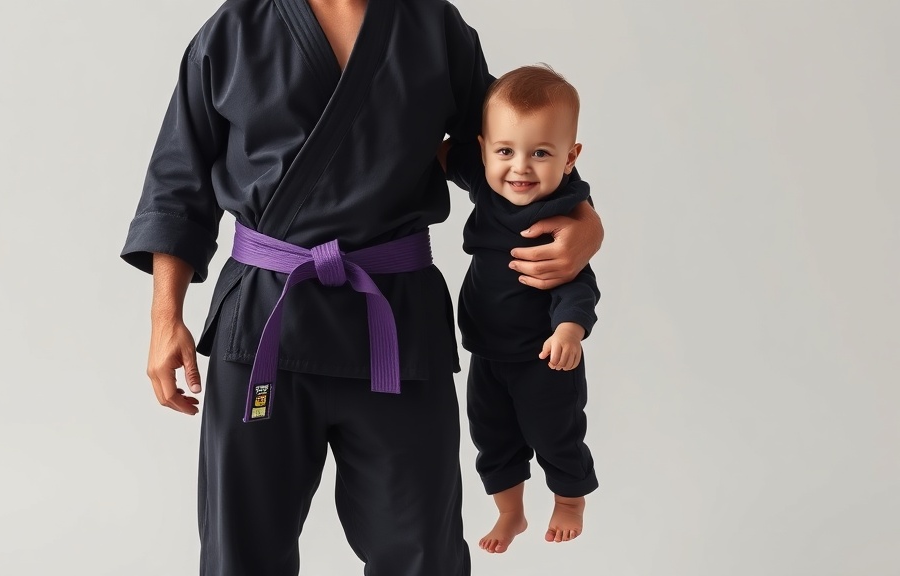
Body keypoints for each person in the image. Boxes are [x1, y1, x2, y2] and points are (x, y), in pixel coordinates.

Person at [119, 1, 604, 574]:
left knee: (423, 554)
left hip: (396, 331)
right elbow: (177, 182)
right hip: (265, 324)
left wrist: (584, 219)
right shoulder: (236, 28)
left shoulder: (432, 25)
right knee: (241, 553)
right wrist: (165, 316)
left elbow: (511, 140)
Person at [439, 65, 600, 555]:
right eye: (506, 151)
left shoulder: (561, 214)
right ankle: (510, 511)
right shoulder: (487, 180)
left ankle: (569, 500)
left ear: (570, 158)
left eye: (541, 153)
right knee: (491, 435)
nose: (520, 168)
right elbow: (443, 154)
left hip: (543, 357)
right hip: (487, 351)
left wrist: (569, 331)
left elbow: (578, 284)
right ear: (485, 148)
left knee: (555, 434)